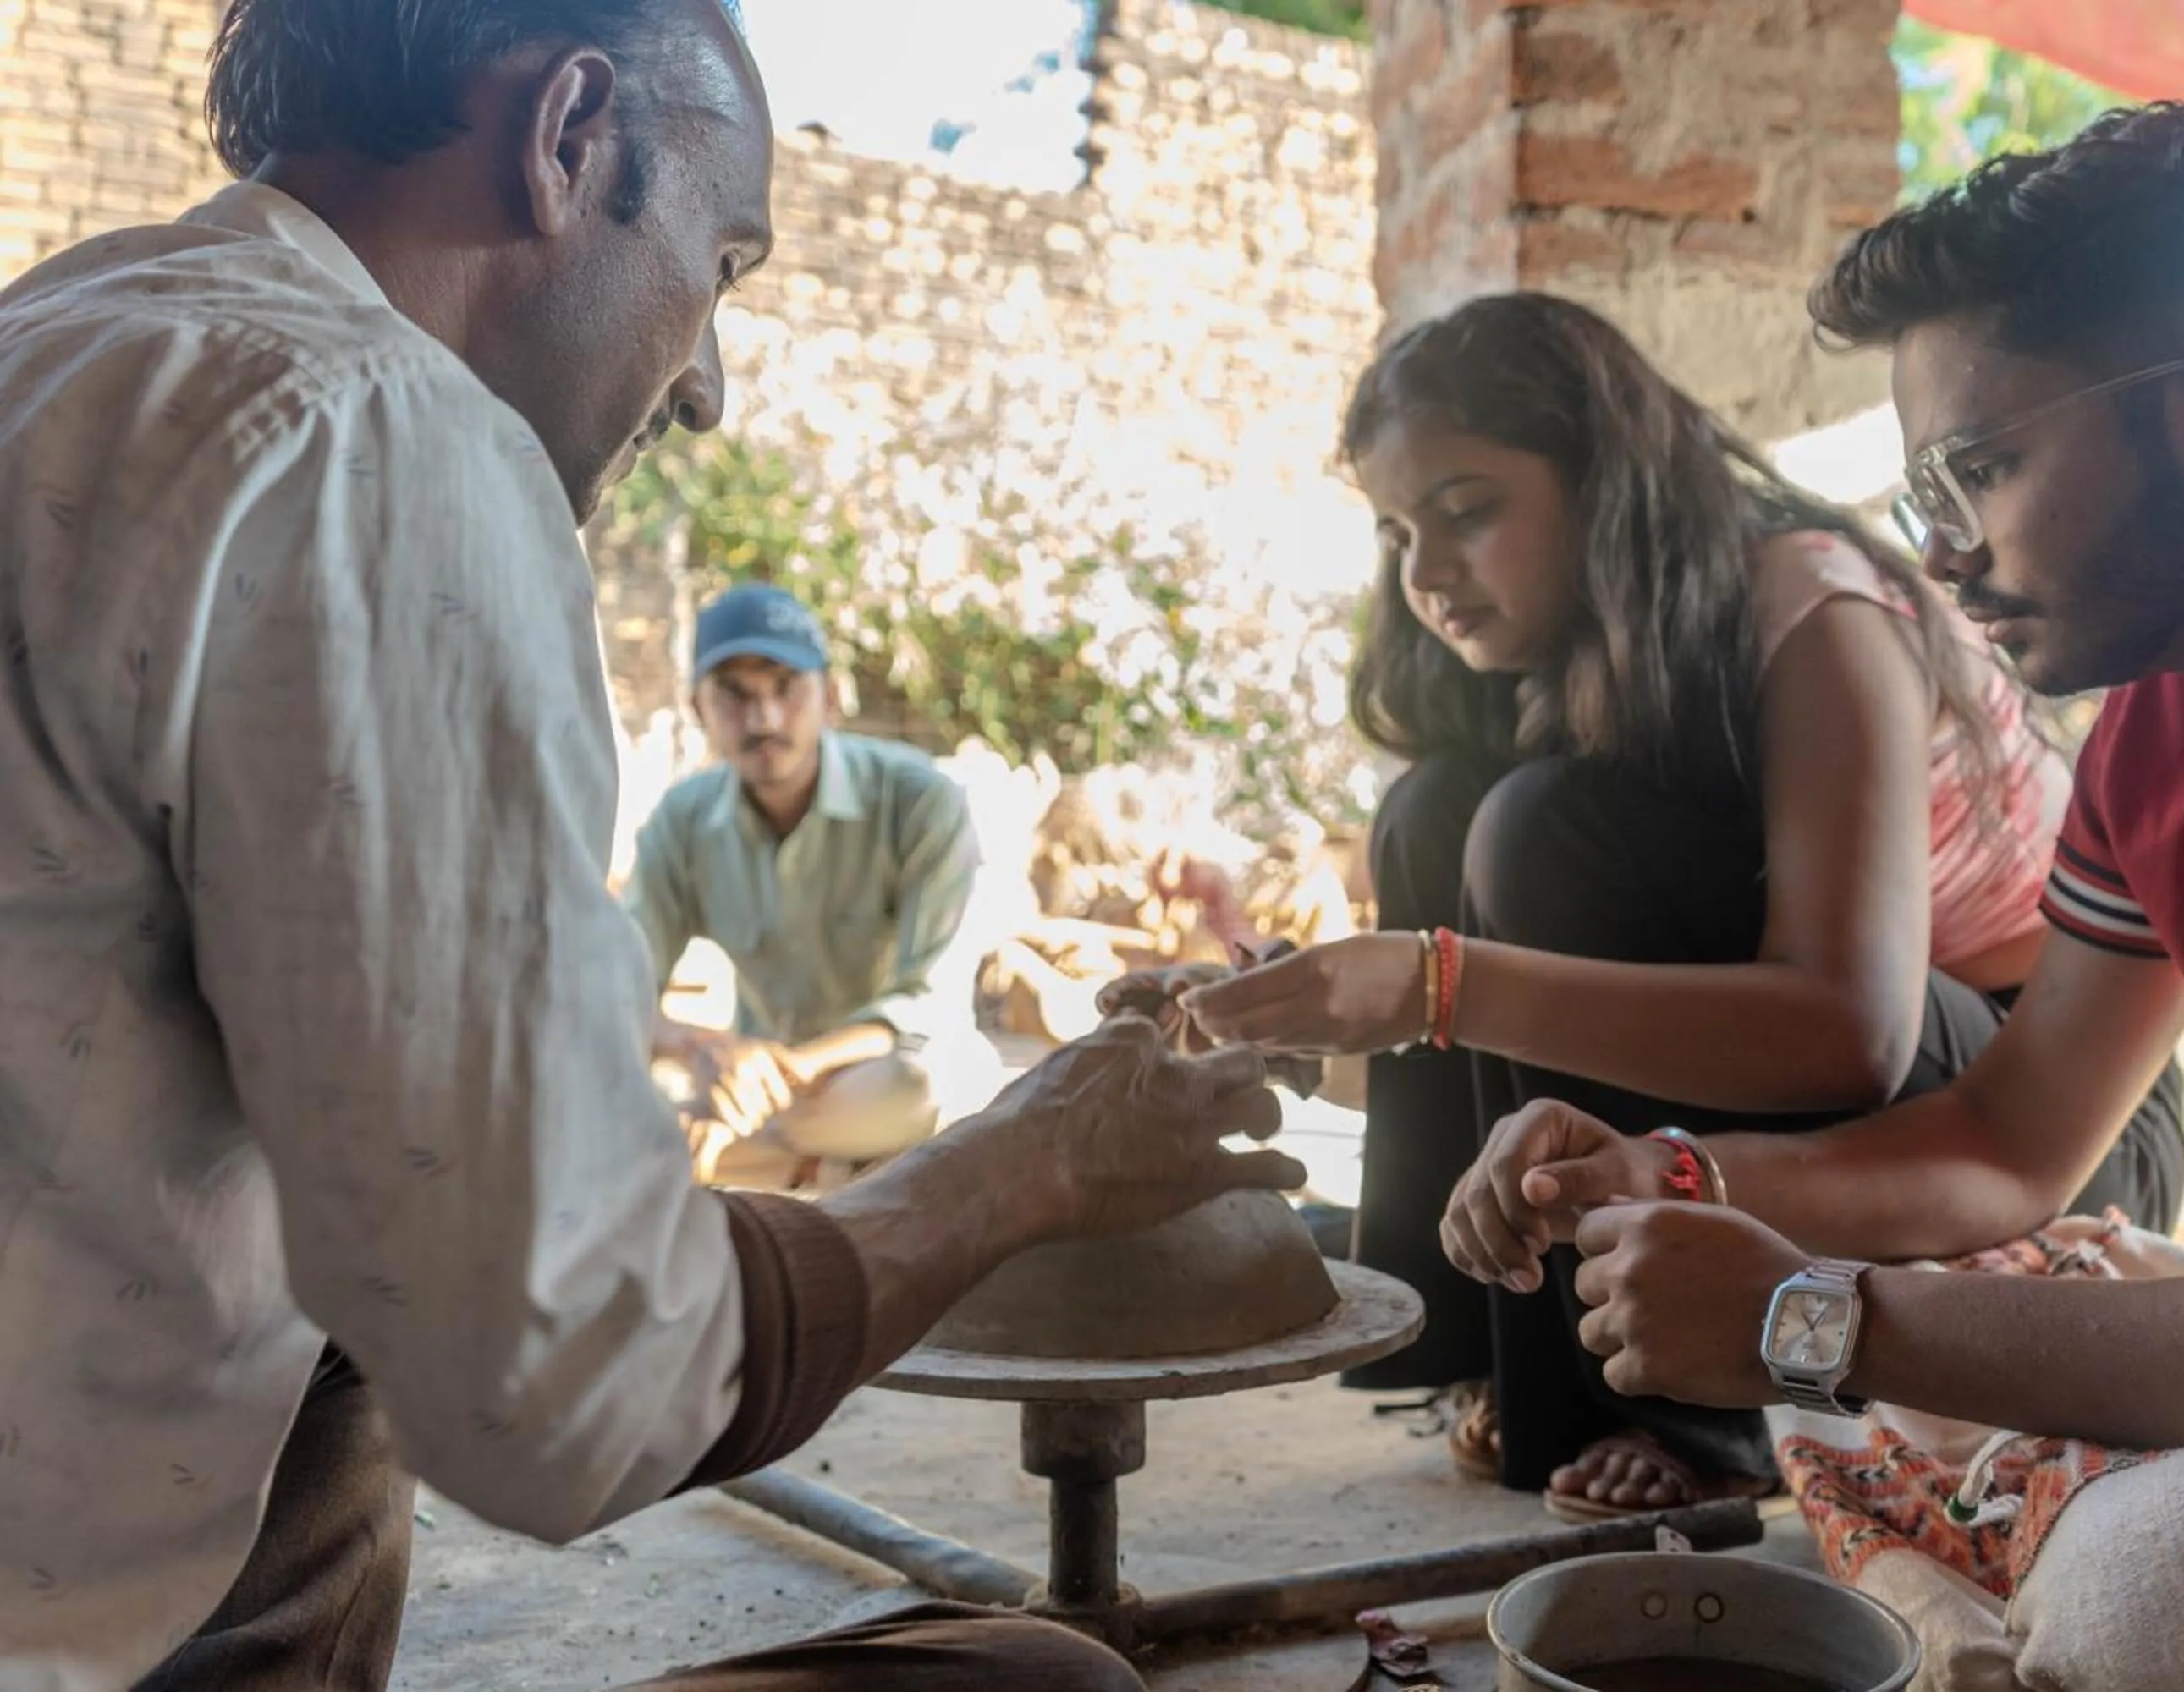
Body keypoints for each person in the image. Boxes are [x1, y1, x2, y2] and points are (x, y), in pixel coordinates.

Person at [0, 3, 1304, 1688]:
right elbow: (575, 1363)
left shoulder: (68, 330)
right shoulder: (385, 439)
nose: (704, 381)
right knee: (1048, 1680)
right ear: (569, 140)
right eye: (724, 256)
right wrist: (1031, 1162)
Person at [1444, 102, 2184, 1684]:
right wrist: (1671, 1177)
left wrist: (1820, 1322)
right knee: (2020, 1339)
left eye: (1981, 467)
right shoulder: (2175, 732)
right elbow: (2007, 1141)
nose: (1943, 556)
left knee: (2177, 1594)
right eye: (1924, 500)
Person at [1112, 293, 2184, 1521]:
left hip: (2049, 1112)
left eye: (1467, 513)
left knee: (1537, 831)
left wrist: (1431, 983)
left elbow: (1851, 1029)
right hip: (1877, 1101)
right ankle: (1474, 1322)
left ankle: (1698, 1405)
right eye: (1398, 531)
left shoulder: (1815, 608)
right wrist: (1304, 1017)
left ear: (1604, 482)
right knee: (1438, 808)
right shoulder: (1593, 658)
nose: (1427, 573)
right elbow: (1534, 1022)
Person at [625, 582, 997, 1189]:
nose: (763, 719)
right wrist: (701, 1049)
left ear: (829, 697)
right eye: (735, 695)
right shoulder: (682, 821)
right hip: (752, 1087)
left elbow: (927, 1005)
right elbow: (620, 987)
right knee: (584, 1082)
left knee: (929, 1083)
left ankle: (734, 1153)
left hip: (868, 1079)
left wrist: (786, 1073)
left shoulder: (918, 800)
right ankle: (818, 1165)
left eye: (785, 688)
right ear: (699, 708)